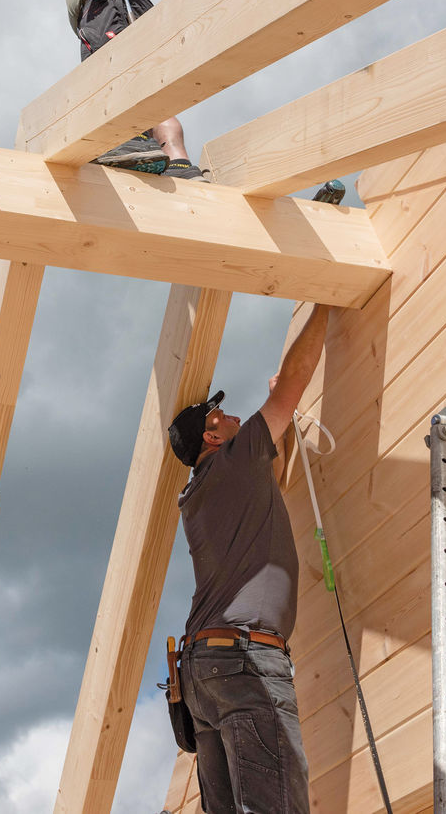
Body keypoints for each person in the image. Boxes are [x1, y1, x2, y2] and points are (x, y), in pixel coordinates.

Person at [164, 304, 331, 813]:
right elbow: (294, 384)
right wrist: (324, 303)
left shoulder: (204, 491)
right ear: (213, 437)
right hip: (240, 663)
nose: (231, 412)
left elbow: (270, 488)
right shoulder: (235, 461)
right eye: (220, 414)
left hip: (204, 675)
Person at [16, 0, 208, 180]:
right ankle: (177, 166)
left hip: (113, 5)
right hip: (97, 20)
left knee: (130, 87)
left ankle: (164, 155)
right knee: (139, 92)